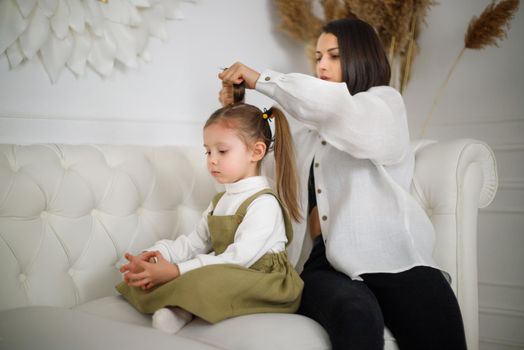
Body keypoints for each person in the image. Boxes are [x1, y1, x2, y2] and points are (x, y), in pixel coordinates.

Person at [218, 18, 467, 350]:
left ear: (362, 57)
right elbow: (253, 175)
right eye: (318, 57)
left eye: (333, 55)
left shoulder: (385, 106)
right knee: (355, 316)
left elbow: (341, 112)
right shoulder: (305, 134)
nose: (321, 64)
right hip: (325, 267)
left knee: (439, 327)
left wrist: (261, 79)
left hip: (396, 259)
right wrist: (235, 112)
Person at [116, 102, 304, 334]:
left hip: (262, 281)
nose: (212, 159)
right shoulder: (219, 202)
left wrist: (175, 271)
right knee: (169, 272)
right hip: (227, 268)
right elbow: (195, 243)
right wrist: (158, 256)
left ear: (256, 152)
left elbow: (239, 259)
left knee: (204, 277)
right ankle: (181, 304)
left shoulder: (263, 203)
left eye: (222, 151)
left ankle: (181, 309)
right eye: (208, 151)